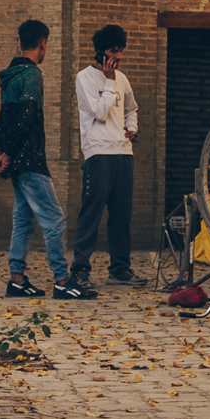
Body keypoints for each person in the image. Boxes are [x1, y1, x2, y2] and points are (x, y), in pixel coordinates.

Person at [0, 19, 97, 300]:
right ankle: (62, 280)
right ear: (44, 43)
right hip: (30, 160)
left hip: (16, 160)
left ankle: (17, 279)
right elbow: (24, 119)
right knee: (54, 219)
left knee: (23, 219)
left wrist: (1, 151)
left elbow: (5, 118)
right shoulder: (32, 75)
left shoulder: (10, 75)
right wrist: (8, 153)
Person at [71, 24, 142, 288]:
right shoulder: (85, 78)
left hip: (123, 153)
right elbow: (99, 112)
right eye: (114, 51)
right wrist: (110, 81)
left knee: (122, 215)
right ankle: (80, 269)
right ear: (100, 51)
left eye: (121, 51)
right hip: (98, 153)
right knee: (91, 212)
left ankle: (120, 269)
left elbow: (131, 109)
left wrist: (132, 128)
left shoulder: (122, 79)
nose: (119, 57)